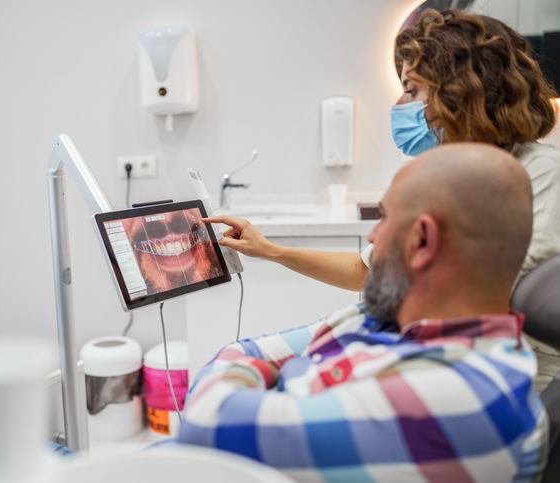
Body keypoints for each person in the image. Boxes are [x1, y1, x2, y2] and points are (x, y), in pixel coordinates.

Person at [206, 8, 560, 391]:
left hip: (490, 373)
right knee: (244, 366)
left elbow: (488, 298)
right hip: (423, 348)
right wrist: (271, 250)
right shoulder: (445, 175)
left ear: (458, 92)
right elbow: (369, 271)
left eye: (411, 89)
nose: (399, 103)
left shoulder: (539, 174)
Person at [180, 143, 547, 482]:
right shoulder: (392, 314)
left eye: (384, 218)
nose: (372, 237)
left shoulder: (465, 395)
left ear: (421, 241)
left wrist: (265, 377)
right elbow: (249, 352)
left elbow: (204, 420)